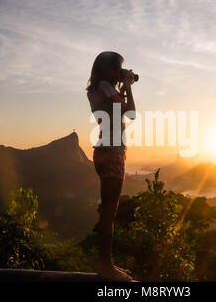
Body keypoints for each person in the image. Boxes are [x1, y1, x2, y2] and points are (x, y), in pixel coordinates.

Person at [86, 51, 136, 281]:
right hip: (113, 153)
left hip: (103, 151)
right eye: (119, 68)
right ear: (108, 69)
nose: (121, 72)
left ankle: (106, 264)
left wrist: (124, 86)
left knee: (108, 211)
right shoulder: (106, 86)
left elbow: (118, 108)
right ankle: (106, 267)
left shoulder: (99, 88)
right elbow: (130, 112)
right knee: (109, 213)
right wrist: (128, 86)